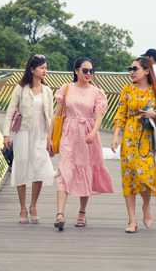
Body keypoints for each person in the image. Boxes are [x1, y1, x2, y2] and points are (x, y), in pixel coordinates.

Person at [47, 57, 114, 230]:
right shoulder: (66, 88)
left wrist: (93, 132)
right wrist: (50, 137)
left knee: (85, 171)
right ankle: (60, 214)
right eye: (85, 70)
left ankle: (82, 213)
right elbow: (57, 114)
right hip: (68, 134)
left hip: (87, 135)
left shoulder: (97, 93)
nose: (89, 74)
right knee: (64, 170)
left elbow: (99, 117)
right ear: (76, 71)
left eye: (92, 71)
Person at [111, 57, 156, 233]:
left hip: (148, 139)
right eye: (130, 69)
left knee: (147, 175)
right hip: (130, 137)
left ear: (146, 71)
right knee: (128, 177)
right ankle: (132, 220)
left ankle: (146, 206)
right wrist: (115, 135)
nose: (132, 72)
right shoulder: (127, 90)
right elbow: (121, 113)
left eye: (135, 68)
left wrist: (155, 113)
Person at [3, 54, 55, 224]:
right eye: (41, 67)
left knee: (40, 167)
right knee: (22, 167)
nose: (44, 70)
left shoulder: (47, 90)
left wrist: (51, 138)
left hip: (41, 134)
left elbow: (51, 116)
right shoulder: (20, 88)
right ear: (32, 70)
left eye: (46, 67)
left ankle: (33, 206)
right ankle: (23, 208)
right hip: (24, 132)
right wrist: (6, 134)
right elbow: (10, 112)